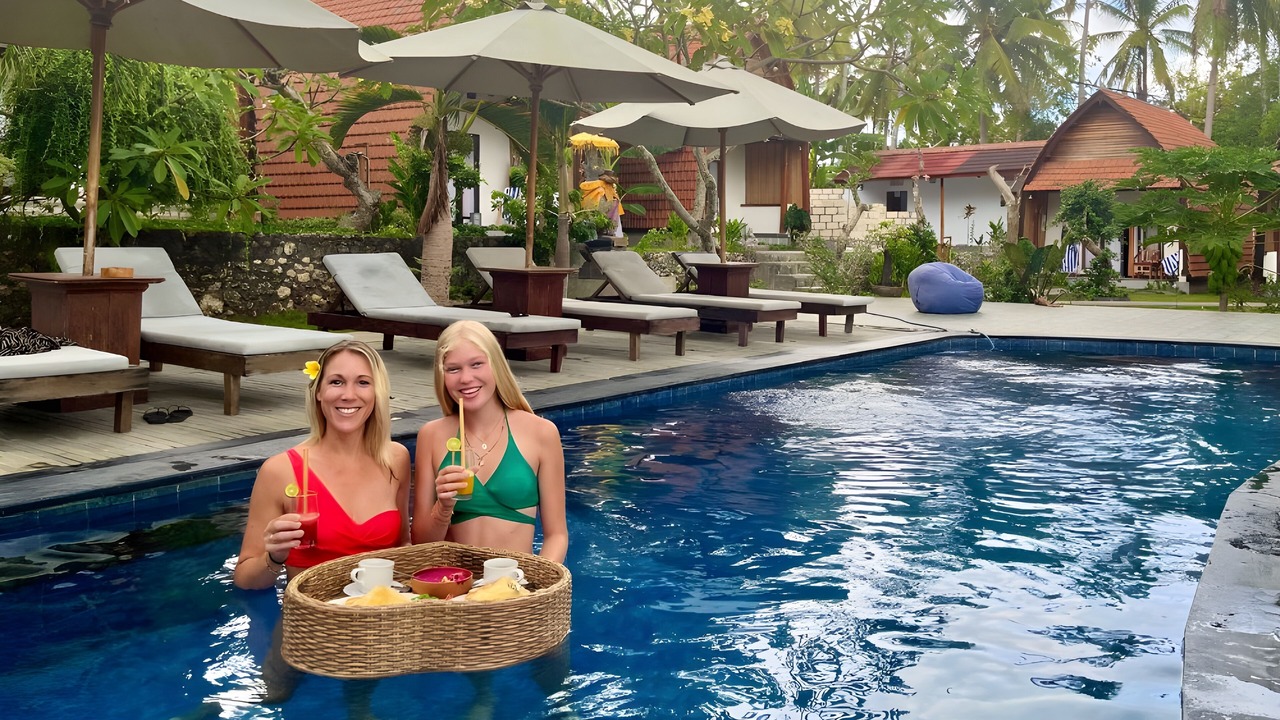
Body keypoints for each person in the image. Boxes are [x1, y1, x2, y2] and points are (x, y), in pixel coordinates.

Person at [228, 338, 411, 712]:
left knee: (365, 705)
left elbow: (405, 550)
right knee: (274, 698)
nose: (349, 394)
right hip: (310, 622)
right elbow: (245, 578)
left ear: (378, 393)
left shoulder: (396, 460)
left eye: (362, 382)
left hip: (378, 620)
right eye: (336, 382)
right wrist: (275, 556)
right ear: (318, 393)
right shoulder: (281, 470)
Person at [412, 320, 568, 563]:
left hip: (517, 587)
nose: (466, 378)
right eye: (453, 369)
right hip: (455, 589)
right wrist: (443, 508)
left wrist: (538, 586)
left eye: (476, 364)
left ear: (496, 365)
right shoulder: (431, 436)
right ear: (442, 375)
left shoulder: (541, 433)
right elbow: (421, 545)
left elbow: (556, 535)